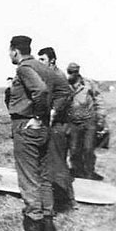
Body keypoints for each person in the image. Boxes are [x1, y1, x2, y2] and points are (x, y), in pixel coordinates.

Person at [6, 36, 55, 231]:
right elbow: (60, 90)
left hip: (27, 126)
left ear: (15, 51)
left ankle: (34, 229)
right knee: (43, 176)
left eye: (10, 51)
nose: (9, 54)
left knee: (29, 178)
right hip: (43, 127)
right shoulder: (43, 67)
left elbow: (41, 91)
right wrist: (46, 116)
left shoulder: (24, 69)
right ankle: (48, 223)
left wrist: (35, 117)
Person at [37, 47, 75, 210]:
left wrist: (54, 111)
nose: (40, 63)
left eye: (43, 60)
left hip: (58, 126)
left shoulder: (57, 76)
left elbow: (66, 95)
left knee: (58, 163)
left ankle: (66, 200)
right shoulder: (47, 76)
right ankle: (56, 197)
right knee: (49, 162)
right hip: (52, 125)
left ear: (52, 60)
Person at [66, 62, 106, 181]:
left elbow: (99, 100)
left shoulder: (88, 84)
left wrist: (101, 116)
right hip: (73, 122)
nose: (70, 75)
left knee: (88, 148)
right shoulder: (66, 85)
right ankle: (77, 171)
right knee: (73, 149)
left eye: (73, 72)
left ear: (77, 73)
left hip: (89, 121)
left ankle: (89, 172)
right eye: (69, 72)